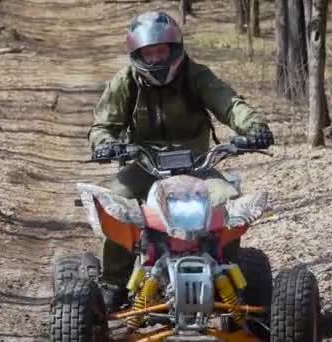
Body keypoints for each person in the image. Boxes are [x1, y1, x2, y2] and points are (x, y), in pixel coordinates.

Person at [86, 10, 274, 312]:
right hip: (143, 164)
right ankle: (114, 283)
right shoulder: (126, 82)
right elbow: (102, 126)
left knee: (227, 201)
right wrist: (106, 144)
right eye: (149, 53)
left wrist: (254, 127)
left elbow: (229, 103)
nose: (157, 60)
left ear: (175, 49)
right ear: (137, 55)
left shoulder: (196, 75)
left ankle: (229, 278)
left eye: (162, 51)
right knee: (117, 205)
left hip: (197, 166)